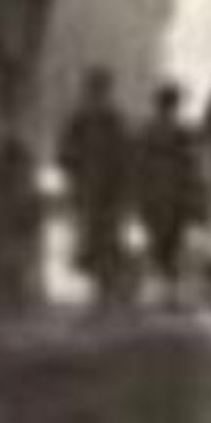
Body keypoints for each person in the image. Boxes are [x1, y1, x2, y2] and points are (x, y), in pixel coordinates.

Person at [60, 63, 135, 307]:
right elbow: (65, 155)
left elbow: (125, 156)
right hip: (88, 190)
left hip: (106, 191)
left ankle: (106, 287)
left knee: (106, 237)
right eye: (95, 90)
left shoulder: (111, 121)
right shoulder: (81, 121)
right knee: (91, 237)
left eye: (99, 90)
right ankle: (100, 287)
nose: (97, 95)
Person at [133, 80, 206, 299]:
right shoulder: (179, 132)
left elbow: (139, 164)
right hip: (170, 194)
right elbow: (190, 166)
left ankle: (163, 289)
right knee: (169, 242)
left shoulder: (149, 131)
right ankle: (167, 290)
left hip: (158, 194)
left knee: (162, 241)